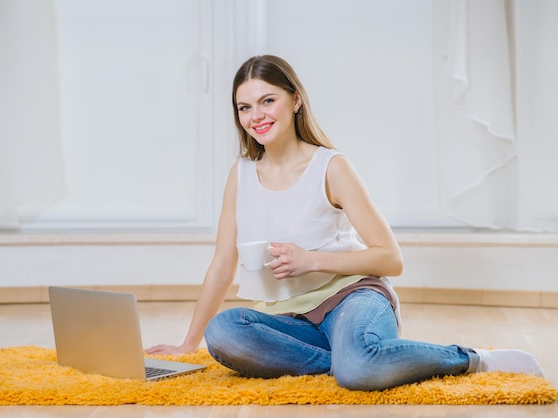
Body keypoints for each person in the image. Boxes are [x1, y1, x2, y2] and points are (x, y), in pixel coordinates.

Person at [146, 55, 544, 390]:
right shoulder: (241, 173)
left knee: (358, 365)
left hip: (351, 300)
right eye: (244, 107)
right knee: (223, 332)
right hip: (289, 319)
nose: (256, 116)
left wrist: (312, 260)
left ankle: (470, 359)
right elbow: (222, 264)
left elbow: (391, 259)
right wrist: (187, 344)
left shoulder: (331, 166)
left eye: (267, 101)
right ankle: (359, 361)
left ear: (296, 100)